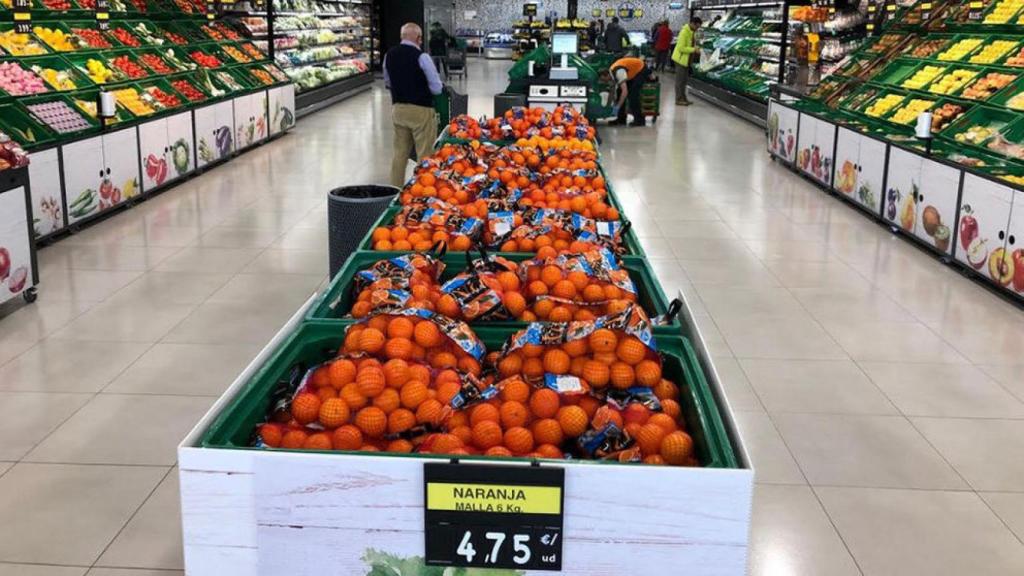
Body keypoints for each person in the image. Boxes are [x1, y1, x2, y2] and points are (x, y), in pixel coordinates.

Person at [384, 22, 443, 187]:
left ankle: (394, 190)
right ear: (419, 38)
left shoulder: (389, 54)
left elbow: (388, 81)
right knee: (424, 153)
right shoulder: (421, 56)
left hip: (398, 109)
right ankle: (421, 191)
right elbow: (436, 87)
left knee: (399, 153)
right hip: (421, 110)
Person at [609, 56, 653, 127]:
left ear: (605, 76)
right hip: (631, 71)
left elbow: (625, 91)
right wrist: (611, 103)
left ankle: (640, 120)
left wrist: (618, 106)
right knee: (619, 92)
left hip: (640, 69)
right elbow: (613, 89)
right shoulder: (611, 71)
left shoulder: (618, 72)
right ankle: (621, 119)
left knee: (633, 95)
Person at [671, 16, 701, 106]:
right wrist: (693, 50)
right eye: (697, 27)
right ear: (692, 23)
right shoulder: (684, 32)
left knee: (684, 81)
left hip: (686, 60)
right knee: (680, 81)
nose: (697, 29)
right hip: (680, 60)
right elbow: (681, 48)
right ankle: (678, 99)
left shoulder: (691, 32)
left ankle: (683, 98)